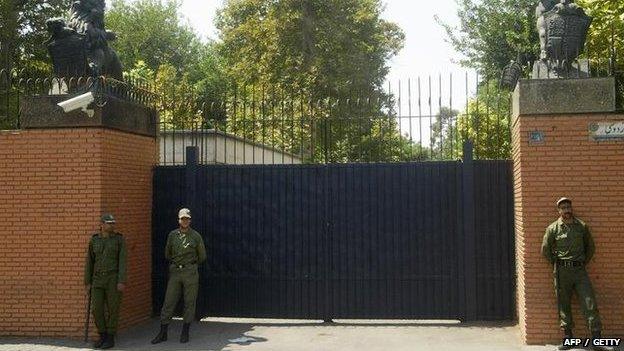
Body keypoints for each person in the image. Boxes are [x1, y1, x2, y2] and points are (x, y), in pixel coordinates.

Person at [541, 197, 608, 351]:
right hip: (562, 272)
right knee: (564, 305)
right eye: (563, 208)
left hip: (580, 271)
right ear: (559, 211)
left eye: (568, 207)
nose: (566, 210)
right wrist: (557, 263)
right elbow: (545, 249)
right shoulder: (553, 229)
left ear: (571, 208)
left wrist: (582, 262)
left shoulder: (582, 227)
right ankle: (568, 340)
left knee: (589, 303)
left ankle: (597, 342)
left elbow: (590, 247)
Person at [152, 208, 206, 344]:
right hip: (175, 272)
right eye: (182, 219)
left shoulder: (195, 236)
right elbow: (167, 253)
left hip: (190, 272)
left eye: (187, 218)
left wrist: (191, 265)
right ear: (178, 220)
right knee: (169, 301)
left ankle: (185, 331)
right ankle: (163, 332)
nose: (185, 221)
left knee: (189, 301)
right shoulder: (172, 235)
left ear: (190, 220)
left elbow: (202, 256)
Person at [84, 214, 127, 349]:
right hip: (97, 279)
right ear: (101, 224)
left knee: (113, 308)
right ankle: (102, 335)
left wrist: (121, 280)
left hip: (113, 278)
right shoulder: (94, 240)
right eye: (109, 223)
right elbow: (89, 262)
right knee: (96, 309)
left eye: (113, 223)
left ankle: (110, 337)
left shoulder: (119, 240)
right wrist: (87, 281)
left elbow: (123, 262)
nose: (112, 225)